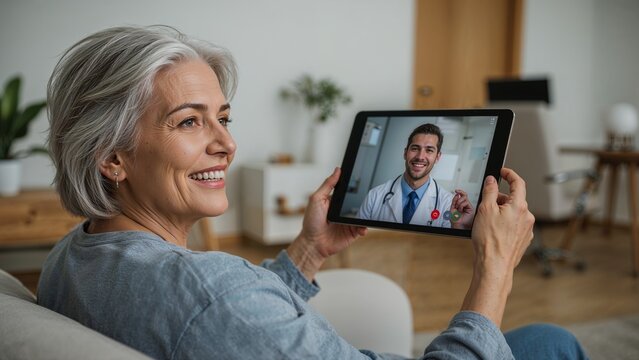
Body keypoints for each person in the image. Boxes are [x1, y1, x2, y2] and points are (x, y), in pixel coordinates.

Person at [37, 25, 588, 359]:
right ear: (111, 157)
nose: (227, 144)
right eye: (189, 122)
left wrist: (309, 249)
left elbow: (231, 324)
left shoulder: (71, 257)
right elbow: (222, 311)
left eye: (223, 118)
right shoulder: (211, 293)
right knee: (551, 340)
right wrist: (495, 266)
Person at [358, 123, 473, 229]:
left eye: (429, 150)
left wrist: (457, 225)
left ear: (437, 157)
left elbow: (449, 248)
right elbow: (357, 240)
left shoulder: (448, 204)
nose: (420, 156)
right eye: (415, 148)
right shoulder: (375, 196)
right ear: (405, 153)